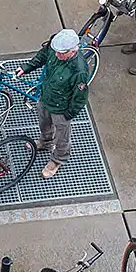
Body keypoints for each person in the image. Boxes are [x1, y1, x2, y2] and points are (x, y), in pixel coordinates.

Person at [16, 29, 89, 178]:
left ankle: (58, 159)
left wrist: (69, 114)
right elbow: (43, 55)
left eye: (61, 53)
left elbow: (80, 96)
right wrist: (27, 67)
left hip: (61, 108)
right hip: (46, 97)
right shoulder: (55, 49)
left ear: (73, 51)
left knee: (62, 135)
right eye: (56, 51)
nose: (56, 55)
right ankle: (46, 141)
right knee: (44, 123)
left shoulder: (79, 70)